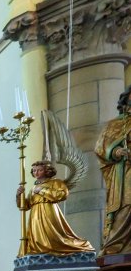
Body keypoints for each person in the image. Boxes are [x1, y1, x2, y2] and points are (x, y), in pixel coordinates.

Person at [16, 161, 95, 256]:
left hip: (49, 212)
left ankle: (57, 250)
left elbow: (62, 195)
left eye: (39, 170)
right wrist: (19, 195)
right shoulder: (33, 188)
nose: (36, 173)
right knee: (37, 238)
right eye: (34, 171)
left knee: (53, 236)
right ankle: (39, 252)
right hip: (35, 216)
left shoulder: (55, 182)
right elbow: (25, 206)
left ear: (47, 171)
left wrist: (42, 190)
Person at [95, 85, 131, 256]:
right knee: (127, 205)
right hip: (126, 171)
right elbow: (100, 147)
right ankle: (115, 246)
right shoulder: (116, 124)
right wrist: (116, 151)